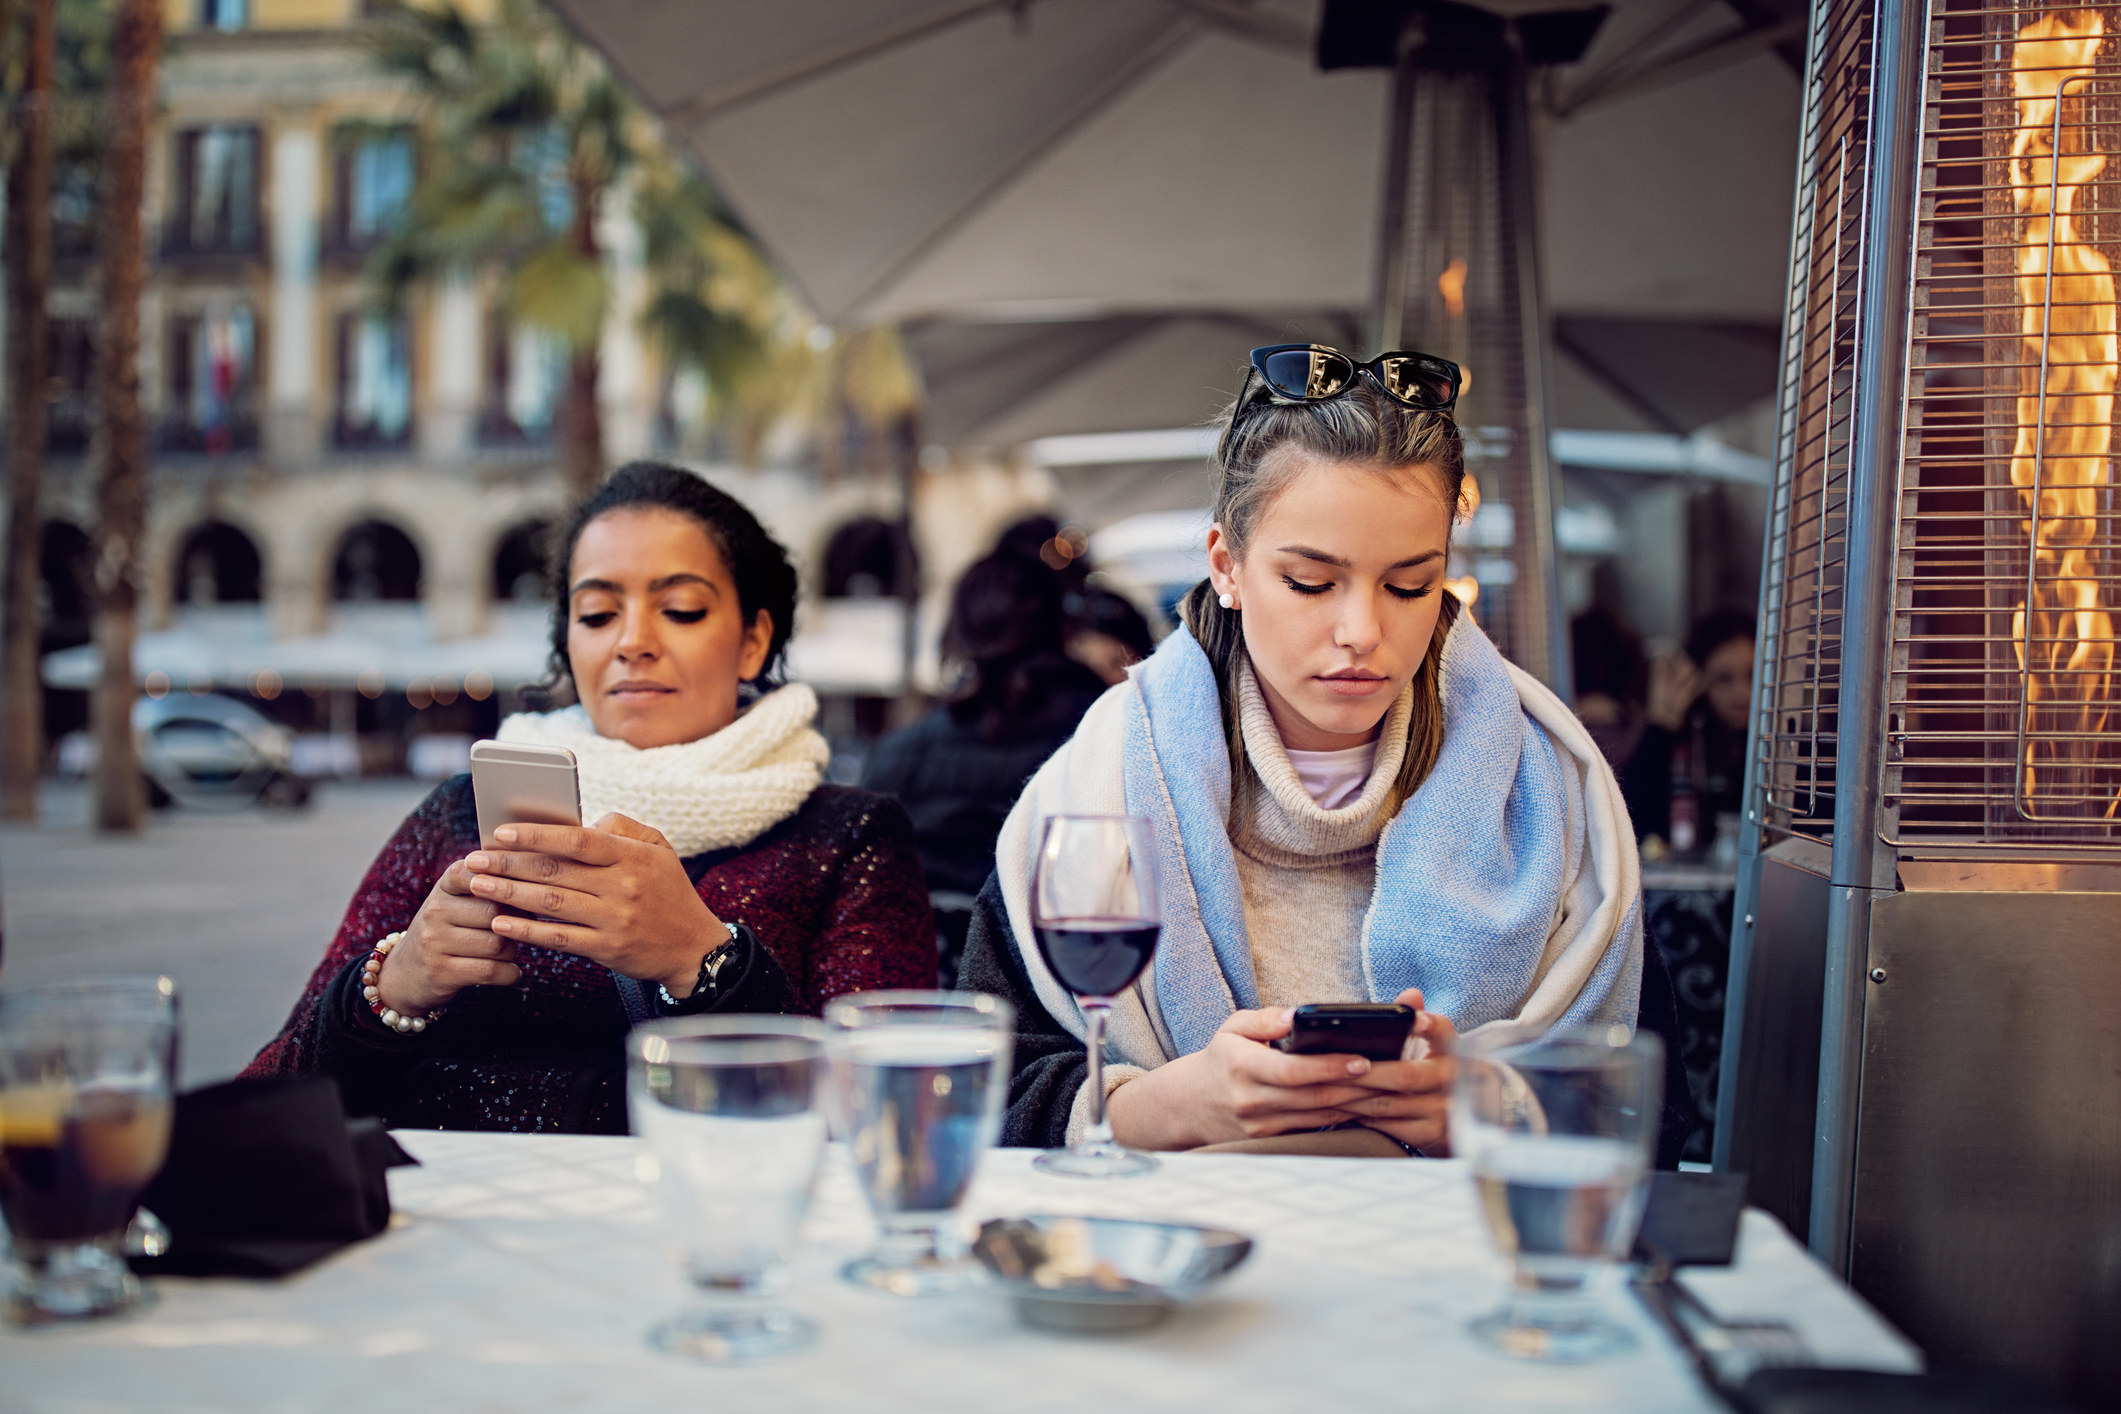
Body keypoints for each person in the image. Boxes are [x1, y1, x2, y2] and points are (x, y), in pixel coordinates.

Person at [959, 346, 1688, 1162]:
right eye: (1310, 582)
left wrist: (1486, 1110)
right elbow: (979, 1095)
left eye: (1411, 585)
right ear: (1225, 567)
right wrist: (1168, 1106)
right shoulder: (1099, 782)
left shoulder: (1550, 790)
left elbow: (1655, 1120)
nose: (1361, 633)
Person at [246, 462, 935, 1132]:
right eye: (598, 613)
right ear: (567, 644)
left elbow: (894, 1113)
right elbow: (276, 1095)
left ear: (753, 640)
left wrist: (705, 961)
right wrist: (392, 990)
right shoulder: (458, 814)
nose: (633, 641)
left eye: (681, 609)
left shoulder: (848, 837)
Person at [862, 551, 1108, 985]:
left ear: (957, 628)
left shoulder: (894, 755)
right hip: (1053, 992)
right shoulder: (1102, 732)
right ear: (1062, 624)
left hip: (919, 992)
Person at [1621, 609, 1756, 856]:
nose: (1742, 694)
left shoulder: (1783, 744)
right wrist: (1660, 727)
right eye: (1724, 679)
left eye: (1752, 675)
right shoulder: (1683, 739)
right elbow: (1632, 820)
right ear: (1698, 681)